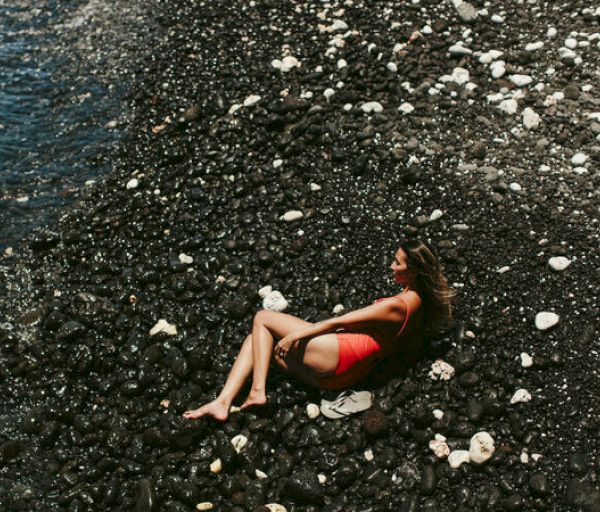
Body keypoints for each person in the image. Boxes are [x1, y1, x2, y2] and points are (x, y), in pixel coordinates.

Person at [183, 239, 454, 421]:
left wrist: (300, 334)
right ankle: (223, 402)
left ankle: (257, 391)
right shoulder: (421, 304)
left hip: (339, 355)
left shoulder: (398, 305)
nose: (391, 266)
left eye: (398, 263)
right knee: (256, 341)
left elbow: (341, 321)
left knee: (262, 318)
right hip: (342, 376)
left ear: (414, 271)